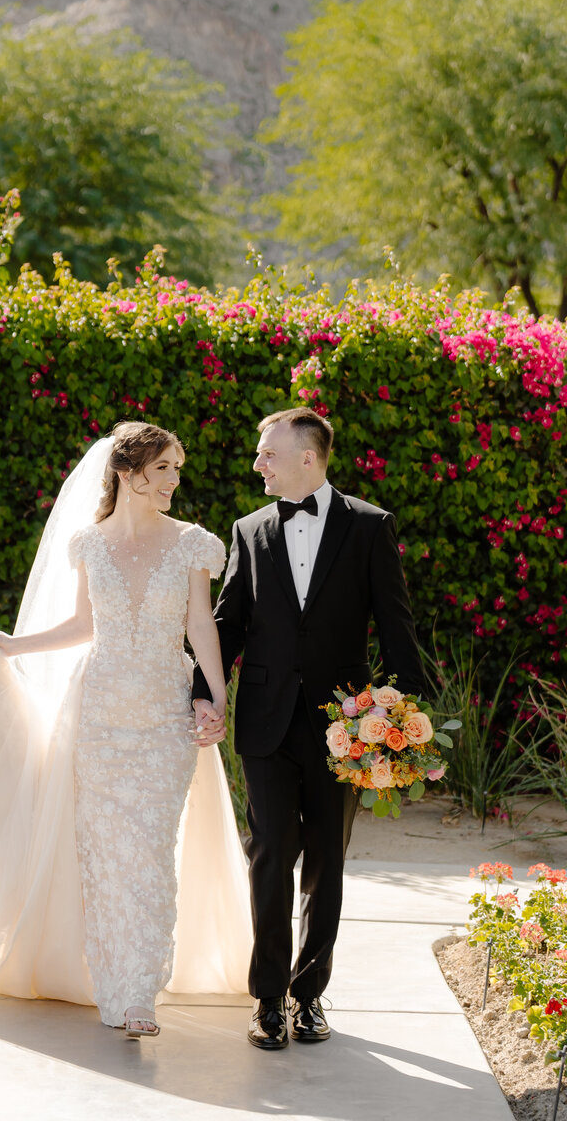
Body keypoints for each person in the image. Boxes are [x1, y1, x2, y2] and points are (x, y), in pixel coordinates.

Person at [0, 422, 251, 1038]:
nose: (177, 480)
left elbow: (202, 626)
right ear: (129, 472)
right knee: (104, 855)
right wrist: (13, 645)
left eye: (178, 469)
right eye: (166, 469)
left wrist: (215, 698)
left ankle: (140, 992)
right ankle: (117, 991)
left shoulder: (193, 544)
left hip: (163, 718)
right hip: (97, 719)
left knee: (148, 854)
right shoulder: (89, 544)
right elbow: (82, 625)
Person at [193, 406, 424, 1050]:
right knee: (270, 856)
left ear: (308, 456)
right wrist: (203, 693)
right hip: (265, 723)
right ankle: (268, 998)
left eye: (267, 452)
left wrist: (394, 715)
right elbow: (228, 621)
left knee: (327, 860)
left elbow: (397, 632)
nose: (258, 462)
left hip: (342, 729)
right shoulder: (248, 529)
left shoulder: (370, 528)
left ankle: (309, 996)